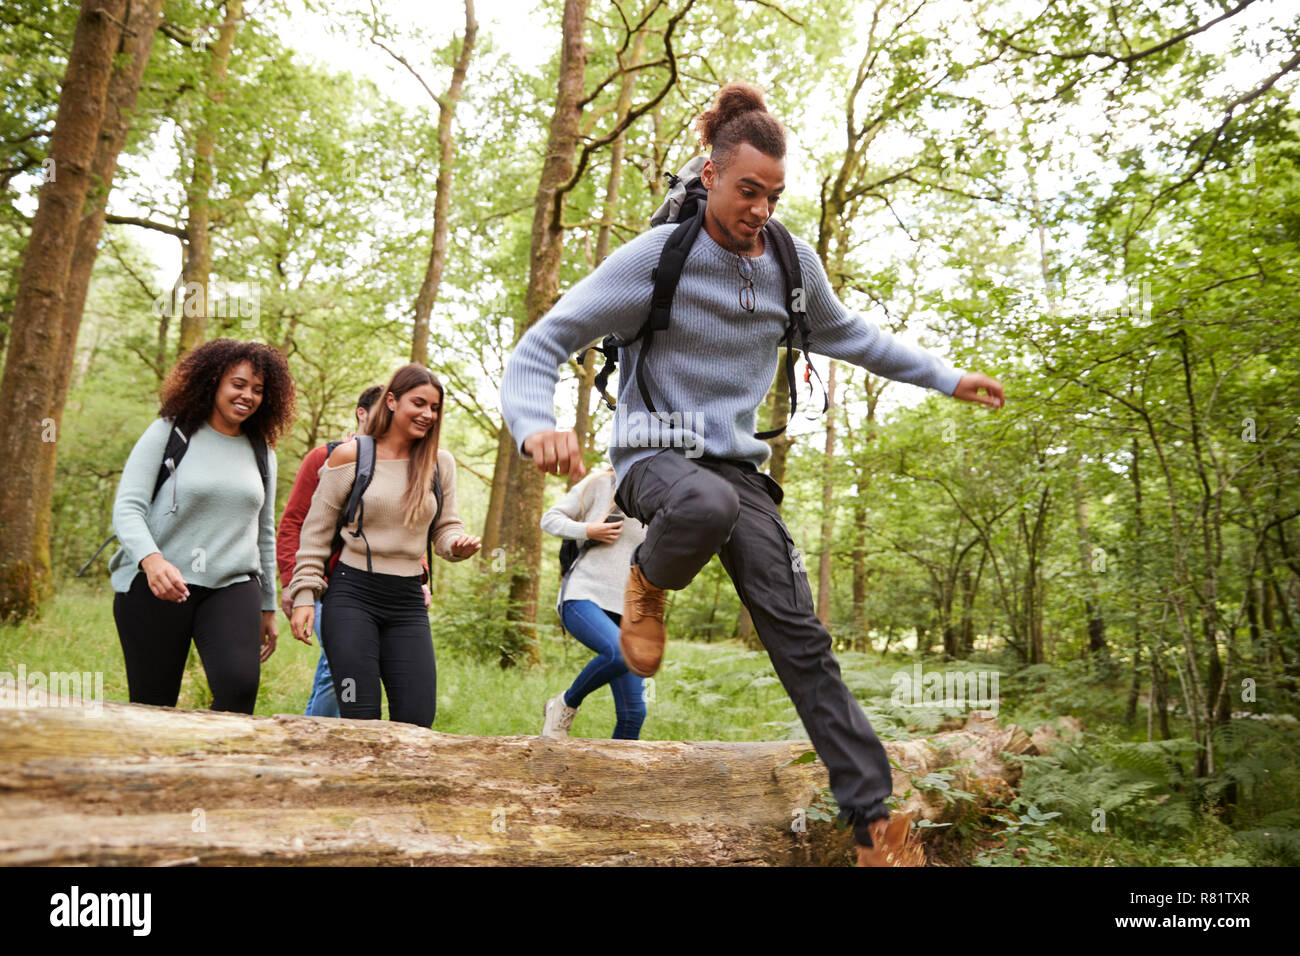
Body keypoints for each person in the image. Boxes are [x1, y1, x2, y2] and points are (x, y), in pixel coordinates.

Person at [500, 83, 1005, 865]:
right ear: (710, 174)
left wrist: (944, 377)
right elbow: (540, 345)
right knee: (698, 502)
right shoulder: (655, 259)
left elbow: (859, 339)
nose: (760, 208)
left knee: (801, 636)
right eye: (747, 190)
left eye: (773, 194)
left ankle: (876, 826)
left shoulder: (790, 268)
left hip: (740, 472)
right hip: (654, 460)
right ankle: (649, 582)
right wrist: (536, 425)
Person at [286, 364, 481, 727]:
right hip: (351, 595)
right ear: (391, 401)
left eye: (434, 408)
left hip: (407, 601)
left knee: (417, 719)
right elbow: (315, 532)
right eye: (418, 403)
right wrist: (302, 596)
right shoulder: (351, 456)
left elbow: (445, 528)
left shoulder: (440, 463)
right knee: (358, 713)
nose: (427, 414)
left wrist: (456, 545)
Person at [110, 338, 296, 714]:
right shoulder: (169, 433)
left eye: (258, 390)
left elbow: (263, 531)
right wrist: (152, 561)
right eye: (238, 384)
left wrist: (267, 605)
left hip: (231, 583)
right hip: (158, 584)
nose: (247, 396)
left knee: (239, 689)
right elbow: (128, 507)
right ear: (213, 382)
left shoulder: (262, 451)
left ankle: (221, 769)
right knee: (153, 703)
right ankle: (156, 771)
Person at [276, 385, 433, 717]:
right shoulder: (326, 457)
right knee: (338, 674)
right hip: (334, 584)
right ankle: (317, 744)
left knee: (352, 671)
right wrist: (294, 584)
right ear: (363, 413)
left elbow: (401, 525)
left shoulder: (411, 462)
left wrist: (422, 573)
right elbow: (296, 523)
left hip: (393, 590)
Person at [539, 465, 648, 739]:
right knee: (619, 652)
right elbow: (550, 519)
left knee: (633, 714)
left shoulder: (666, 500)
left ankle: (618, 780)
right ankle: (565, 703)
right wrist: (588, 529)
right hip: (583, 595)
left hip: (629, 609)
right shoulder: (603, 482)